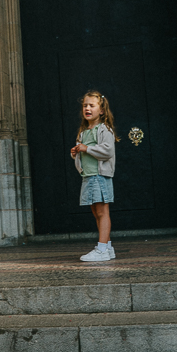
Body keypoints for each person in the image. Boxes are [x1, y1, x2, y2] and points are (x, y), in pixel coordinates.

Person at [70, 91, 120, 263]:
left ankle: (101, 249)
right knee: (96, 212)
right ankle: (107, 247)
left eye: (92, 105)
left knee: (102, 212)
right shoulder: (84, 131)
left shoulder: (104, 129)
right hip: (89, 177)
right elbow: (84, 152)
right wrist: (76, 152)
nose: (87, 108)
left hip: (99, 176)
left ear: (102, 110)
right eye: (85, 105)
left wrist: (86, 149)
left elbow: (107, 151)